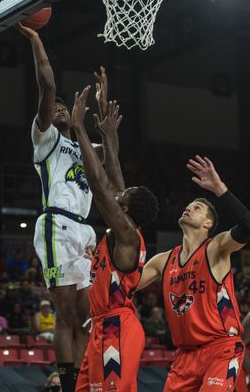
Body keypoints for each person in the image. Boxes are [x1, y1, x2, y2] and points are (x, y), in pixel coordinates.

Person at [18, 23, 106, 392]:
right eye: (52, 108)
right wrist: (38, 42)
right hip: (55, 224)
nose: (57, 108)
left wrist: (102, 108)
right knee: (67, 314)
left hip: (84, 229)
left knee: (88, 319)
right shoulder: (46, 140)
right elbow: (48, 87)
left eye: (62, 108)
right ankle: (68, 384)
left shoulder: (86, 149)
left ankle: (84, 380)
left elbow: (112, 164)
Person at [137, 155, 250, 392]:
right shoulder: (163, 261)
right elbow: (127, 283)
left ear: (207, 224)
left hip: (220, 348)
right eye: (189, 205)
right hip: (184, 356)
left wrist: (219, 189)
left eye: (198, 207)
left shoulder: (216, 248)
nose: (189, 208)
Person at [71, 85, 159, 392]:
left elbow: (98, 182)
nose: (120, 191)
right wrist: (108, 136)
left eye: (126, 193)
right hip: (101, 326)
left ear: (127, 206)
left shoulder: (127, 234)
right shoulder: (123, 229)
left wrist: (78, 127)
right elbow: (114, 172)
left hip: (117, 326)